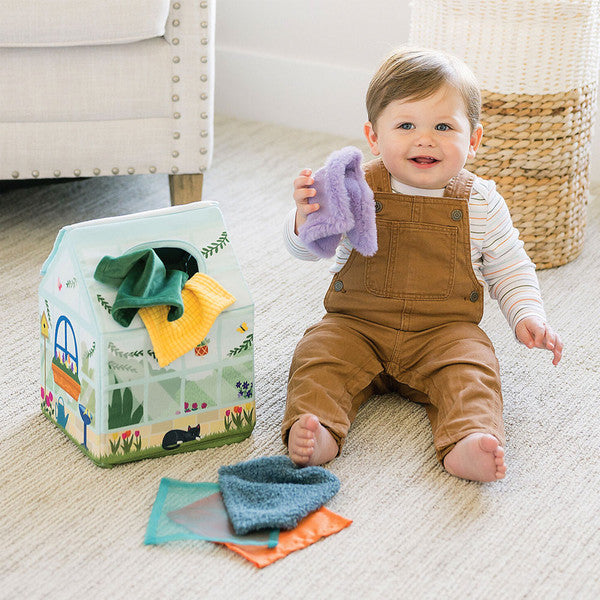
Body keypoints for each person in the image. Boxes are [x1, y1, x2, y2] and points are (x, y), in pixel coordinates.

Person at [281, 48, 563, 482]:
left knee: (474, 368)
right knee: (319, 355)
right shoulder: (356, 191)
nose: (425, 139)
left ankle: (467, 440)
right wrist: (306, 218)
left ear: (473, 139)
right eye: (406, 125)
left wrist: (528, 315)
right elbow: (308, 250)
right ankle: (317, 429)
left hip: (444, 333)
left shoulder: (481, 201)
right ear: (373, 137)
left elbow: (510, 266)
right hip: (357, 325)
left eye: (444, 126)